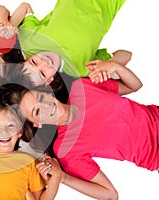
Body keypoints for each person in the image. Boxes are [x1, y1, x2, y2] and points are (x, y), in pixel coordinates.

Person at [18, 51, 159, 199]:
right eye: (37, 110)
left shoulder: (81, 87)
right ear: (37, 123)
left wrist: (115, 66)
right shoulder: (66, 150)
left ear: (47, 92)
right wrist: (62, 177)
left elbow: (134, 86)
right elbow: (110, 195)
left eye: (40, 97)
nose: (45, 105)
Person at [17, 0, 126, 82]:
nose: (44, 62)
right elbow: (125, 54)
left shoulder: (28, 42)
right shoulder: (80, 69)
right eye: (42, 73)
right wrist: (109, 65)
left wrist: (10, 24)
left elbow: (26, 8)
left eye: (34, 62)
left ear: (27, 57)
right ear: (49, 81)